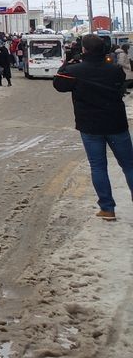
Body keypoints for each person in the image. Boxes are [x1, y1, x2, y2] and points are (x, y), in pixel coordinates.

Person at [53, 34, 132, 220]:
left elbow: (58, 84)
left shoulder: (75, 70)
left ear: (84, 50)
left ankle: (107, 208)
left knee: (98, 167)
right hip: (116, 122)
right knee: (129, 165)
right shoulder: (114, 69)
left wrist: (68, 61)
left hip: (90, 126)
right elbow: (121, 83)